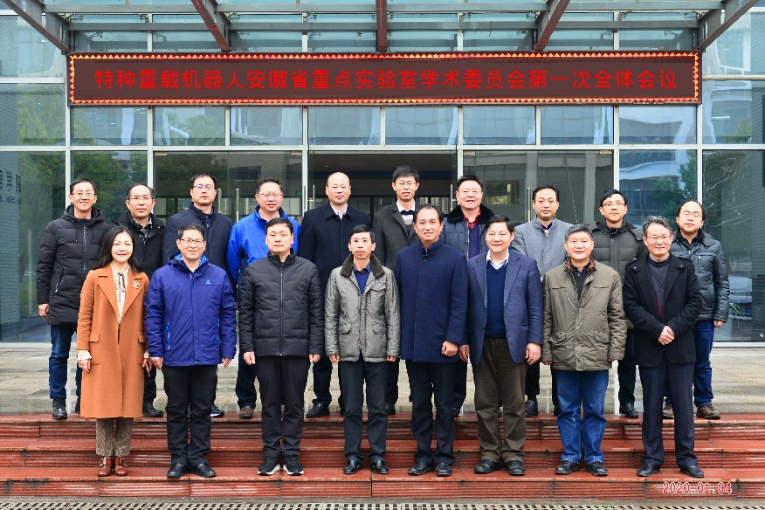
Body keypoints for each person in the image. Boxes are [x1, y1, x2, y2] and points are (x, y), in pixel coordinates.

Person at [146, 224, 236, 479]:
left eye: (197, 241)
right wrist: (155, 349)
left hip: (207, 354)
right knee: (176, 409)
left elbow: (228, 314)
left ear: (205, 245)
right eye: (188, 240)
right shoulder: (163, 276)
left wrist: (228, 346)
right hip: (174, 354)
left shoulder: (218, 275)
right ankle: (177, 459)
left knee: (202, 409)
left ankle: (198, 458)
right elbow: (153, 315)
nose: (192, 245)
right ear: (179, 244)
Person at [238, 218, 323, 477]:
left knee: (295, 405)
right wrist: (247, 346)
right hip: (265, 349)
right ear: (265, 240)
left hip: (298, 349)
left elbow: (316, 311)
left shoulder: (308, 269)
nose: (278, 238)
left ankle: (293, 455)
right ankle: (271, 454)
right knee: (270, 404)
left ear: (292, 238)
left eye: (283, 234)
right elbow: (246, 313)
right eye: (272, 234)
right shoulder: (254, 270)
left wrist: (315, 344)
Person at [623, 216, 704, 479]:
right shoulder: (634, 270)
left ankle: (687, 459)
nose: (659, 242)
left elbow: (695, 303)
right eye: (654, 237)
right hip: (650, 346)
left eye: (664, 237)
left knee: (683, 406)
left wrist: (672, 329)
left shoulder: (684, 267)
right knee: (651, 406)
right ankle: (652, 458)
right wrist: (657, 330)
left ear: (671, 239)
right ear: (645, 240)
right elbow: (631, 305)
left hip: (681, 347)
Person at [542, 225, 626, 477]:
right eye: (574, 241)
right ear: (566, 246)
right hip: (563, 350)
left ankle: (593, 457)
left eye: (584, 241)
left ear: (592, 245)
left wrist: (615, 348)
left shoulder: (609, 276)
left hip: (597, 351)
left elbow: (617, 316)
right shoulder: (552, 276)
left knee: (594, 409)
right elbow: (547, 316)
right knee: (567, 409)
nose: (579, 246)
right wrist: (546, 350)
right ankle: (570, 456)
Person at [463, 215, 543, 477]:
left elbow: (535, 307)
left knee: (514, 403)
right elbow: (463, 306)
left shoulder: (526, 265)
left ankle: (514, 455)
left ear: (511, 237)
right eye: (491, 234)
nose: (496, 238)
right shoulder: (472, 265)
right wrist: (463, 340)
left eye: (502, 234)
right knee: (484, 403)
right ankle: (489, 454)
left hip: (514, 343)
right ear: (485, 237)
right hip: (481, 342)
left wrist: (534, 341)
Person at [395, 205, 468, 478]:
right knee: (420, 404)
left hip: (444, 346)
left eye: (432, 222)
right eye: (422, 222)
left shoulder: (455, 258)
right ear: (415, 227)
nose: (427, 227)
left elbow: (460, 303)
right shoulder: (404, 257)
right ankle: (423, 456)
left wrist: (453, 338)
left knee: (445, 406)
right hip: (414, 346)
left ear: (441, 226)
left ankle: (445, 457)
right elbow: (397, 300)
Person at [325, 225, 400, 475]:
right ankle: (353, 456)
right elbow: (330, 314)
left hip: (378, 350)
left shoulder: (385, 275)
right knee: (352, 408)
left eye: (364, 241)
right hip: (348, 350)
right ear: (349, 245)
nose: (360, 245)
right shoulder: (337, 275)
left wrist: (393, 346)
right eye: (355, 241)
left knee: (378, 408)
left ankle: (378, 456)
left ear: (373, 246)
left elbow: (393, 314)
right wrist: (332, 346)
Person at [76, 226, 150, 477]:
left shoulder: (141, 278)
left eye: (127, 244)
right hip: (101, 348)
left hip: (132, 347)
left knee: (128, 406)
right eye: (117, 243)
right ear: (109, 246)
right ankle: (105, 455)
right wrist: (83, 350)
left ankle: (121, 456)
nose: (122, 248)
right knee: (104, 405)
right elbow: (84, 316)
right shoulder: (95, 276)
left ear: (133, 248)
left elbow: (148, 317)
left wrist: (148, 349)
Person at [36, 177, 110, 420]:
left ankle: (83, 399)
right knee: (59, 353)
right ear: (71, 197)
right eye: (79, 192)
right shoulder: (55, 227)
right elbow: (44, 266)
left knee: (87, 354)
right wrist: (43, 299)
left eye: (88, 193)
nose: (84, 196)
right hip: (62, 299)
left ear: (95, 198)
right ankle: (58, 400)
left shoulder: (105, 229)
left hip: (94, 303)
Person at [299, 172, 371, 419]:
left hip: (356, 295)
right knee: (321, 352)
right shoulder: (312, 218)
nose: (339, 190)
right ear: (326, 190)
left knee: (350, 351)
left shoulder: (362, 218)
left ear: (350, 190)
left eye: (343, 187)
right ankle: (321, 399)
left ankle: (347, 400)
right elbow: (306, 259)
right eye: (334, 186)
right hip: (321, 294)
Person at [227, 178, 300, 420]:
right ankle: (246, 400)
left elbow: (297, 258)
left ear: (282, 197)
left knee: (282, 351)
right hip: (254, 295)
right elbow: (233, 263)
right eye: (266, 194)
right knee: (249, 347)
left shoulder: (293, 225)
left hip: (286, 296)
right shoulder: (241, 227)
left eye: (275, 194)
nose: (271, 198)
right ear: (257, 197)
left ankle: (282, 400)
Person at [162, 173, 233, 418]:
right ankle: (183, 403)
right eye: (199, 187)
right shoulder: (177, 220)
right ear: (191, 192)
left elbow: (231, 260)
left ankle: (206, 402)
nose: (204, 191)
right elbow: (168, 257)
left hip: (214, 290)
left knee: (209, 347)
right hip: (183, 291)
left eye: (209, 187)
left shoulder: (225, 223)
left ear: (215, 192)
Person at [665, 200, 729, 420]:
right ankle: (671, 402)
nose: (690, 217)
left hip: (704, 315)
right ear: (677, 218)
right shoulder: (668, 244)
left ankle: (704, 403)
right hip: (674, 316)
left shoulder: (714, 246)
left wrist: (720, 313)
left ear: (702, 221)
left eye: (695, 214)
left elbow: (722, 282)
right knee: (673, 359)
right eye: (686, 213)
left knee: (702, 362)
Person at [512, 184, 572, 417]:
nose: (545, 205)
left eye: (550, 200)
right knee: (531, 348)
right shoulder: (520, 232)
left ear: (557, 204)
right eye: (541, 200)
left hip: (562, 299)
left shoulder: (569, 230)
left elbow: (571, 262)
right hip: (529, 299)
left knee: (560, 349)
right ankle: (531, 398)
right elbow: (521, 263)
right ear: (534, 204)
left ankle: (560, 399)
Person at [590, 189, 646, 419]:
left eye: (618, 203)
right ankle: (594, 404)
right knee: (595, 359)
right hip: (596, 308)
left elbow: (645, 273)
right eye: (608, 204)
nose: (613, 207)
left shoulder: (638, 237)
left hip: (628, 308)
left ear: (625, 208)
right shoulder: (590, 236)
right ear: (601, 210)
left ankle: (627, 402)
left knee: (628, 360)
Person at [443, 174, 495, 417]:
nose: (470, 195)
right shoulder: (447, 224)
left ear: (481, 195)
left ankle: (492, 401)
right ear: (457, 196)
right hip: (455, 288)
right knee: (457, 344)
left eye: (475, 191)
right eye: (465, 191)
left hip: (487, 288)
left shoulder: (493, 223)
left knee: (488, 347)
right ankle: (455, 401)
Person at [372, 165, 421, 415]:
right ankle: (388, 398)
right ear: (393, 186)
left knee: (416, 343)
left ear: (417, 186)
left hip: (421, 288)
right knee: (389, 345)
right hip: (391, 288)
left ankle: (418, 394)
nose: (406, 187)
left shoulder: (427, 213)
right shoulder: (382, 216)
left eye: (410, 182)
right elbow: (378, 256)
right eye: (401, 183)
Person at [113, 183, 165, 419]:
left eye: (146, 198)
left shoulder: (163, 229)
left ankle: (146, 400)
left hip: (155, 295)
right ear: (128, 203)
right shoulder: (116, 229)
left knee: (149, 346)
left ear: (153, 202)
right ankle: (121, 398)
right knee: (123, 349)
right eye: (136, 198)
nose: (141, 202)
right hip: (124, 296)